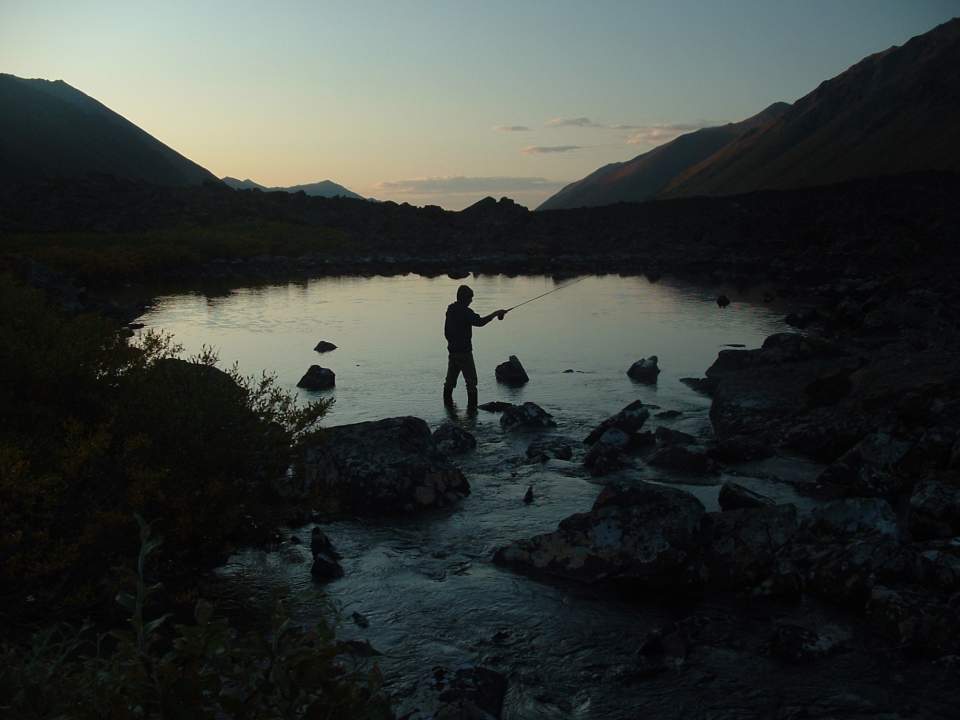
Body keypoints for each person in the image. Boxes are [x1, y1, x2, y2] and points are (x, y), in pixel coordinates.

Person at [443, 285, 507, 409]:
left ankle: (448, 410)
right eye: (470, 298)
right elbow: (480, 322)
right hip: (465, 353)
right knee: (471, 383)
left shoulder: (451, 310)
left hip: (452, 352)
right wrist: (495, 313)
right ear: (464, 298)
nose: (471, 301)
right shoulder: (466, 312)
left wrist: (451, 344)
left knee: (449, 383)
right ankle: (472, 413)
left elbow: (446, 332)